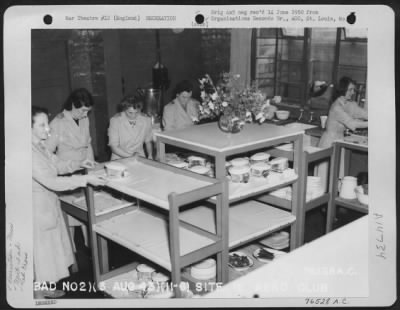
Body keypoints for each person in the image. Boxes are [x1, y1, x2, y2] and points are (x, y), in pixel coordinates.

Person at [32, 106, 106, 299]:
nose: (48, 129)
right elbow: (52, 181)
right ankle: (37, 299)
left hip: (46, 205)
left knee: (47, 255)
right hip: (36, 210)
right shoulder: (28, 153)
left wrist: (79, 164)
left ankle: (41, 289)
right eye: (42, 125)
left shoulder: (39, 146)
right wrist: (85, 180)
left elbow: (57, 164)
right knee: (40, 255)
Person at [45, 88, 95, 252]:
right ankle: (71, 250)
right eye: (82, 110)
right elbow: (47, 151)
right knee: (70, 210)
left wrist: (92, 164)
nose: (85, 114)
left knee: (87, 207)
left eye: (87, 111)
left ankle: (91, 246)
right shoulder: (57, 123)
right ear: (73, 104)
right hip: (67, 169)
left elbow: (87, 143)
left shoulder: (84, 118)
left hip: (84, 167)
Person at [317, 76, 368, 192]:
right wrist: (373, 123)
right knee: (326, 177)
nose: (353, 92)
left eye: (353, 90)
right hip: (329, 143)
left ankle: (330, 203)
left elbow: (360, 114)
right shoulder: (336, 107)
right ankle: (323, 205)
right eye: (350, 90)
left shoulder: (347, 104)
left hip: (338, 142)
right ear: (342, 89)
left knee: (336, 176)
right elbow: (353, 124)